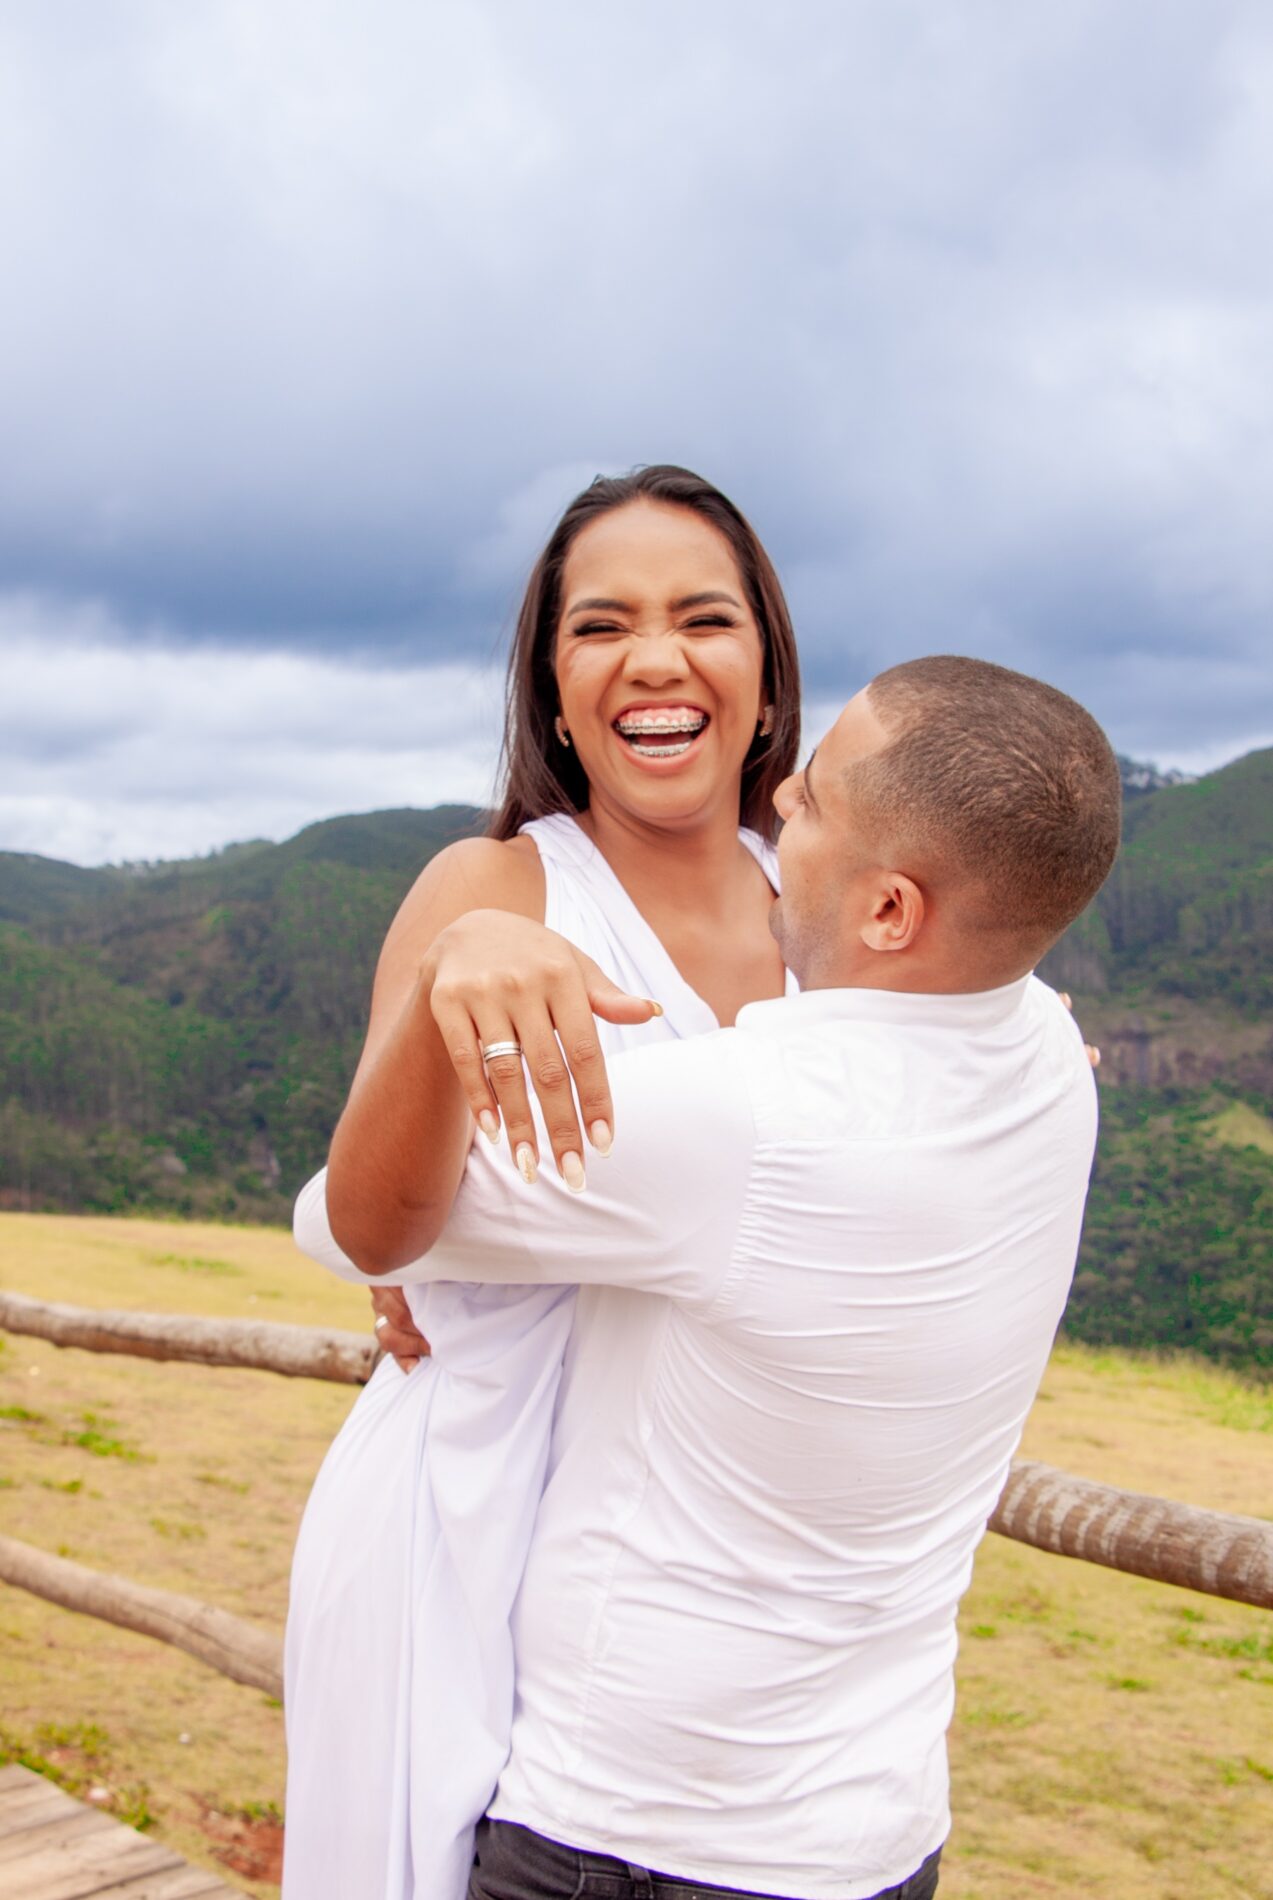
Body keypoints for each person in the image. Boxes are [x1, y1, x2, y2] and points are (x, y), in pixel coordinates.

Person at [310, 655, 1122, 1900]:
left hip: (633, 1837)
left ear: (892, 911)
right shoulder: (1050, 1061)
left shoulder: (743, 1123)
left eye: (812, 800)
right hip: (874, 1834)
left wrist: (460, 956)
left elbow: (355, 1220)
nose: (779, 799)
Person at [281, 465, 802, 1900]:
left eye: (704, 616)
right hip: (467, 1515)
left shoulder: (818, 904)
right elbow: (381, 1225)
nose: (652, 657)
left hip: (703, 1571)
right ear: (554, 692)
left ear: (765, 679)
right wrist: (457, 978)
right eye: (598, 627)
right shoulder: (493, 888)